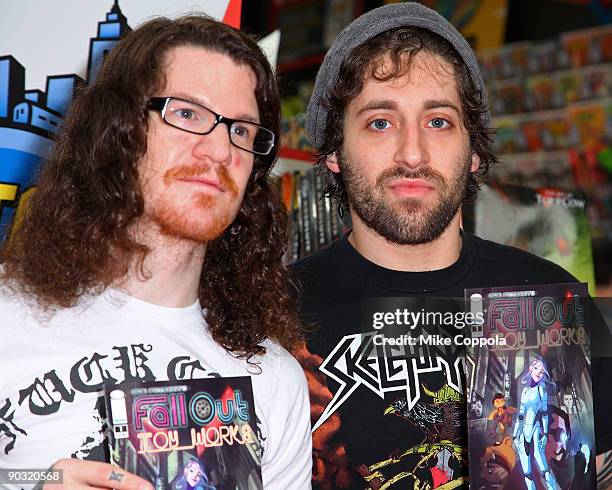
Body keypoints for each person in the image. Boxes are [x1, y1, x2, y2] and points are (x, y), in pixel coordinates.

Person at [292, 2, 611, 489]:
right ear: (334, 152)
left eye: (438, 121)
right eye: (381, 122)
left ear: (475, 152)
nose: (413, 153)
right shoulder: (272, 313)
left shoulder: (553, 298)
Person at [0, 15, 311, 490]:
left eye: (242, 131)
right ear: (117, 132)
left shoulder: (273, 377)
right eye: (186, 113)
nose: (219, 150)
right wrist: (30, 480)